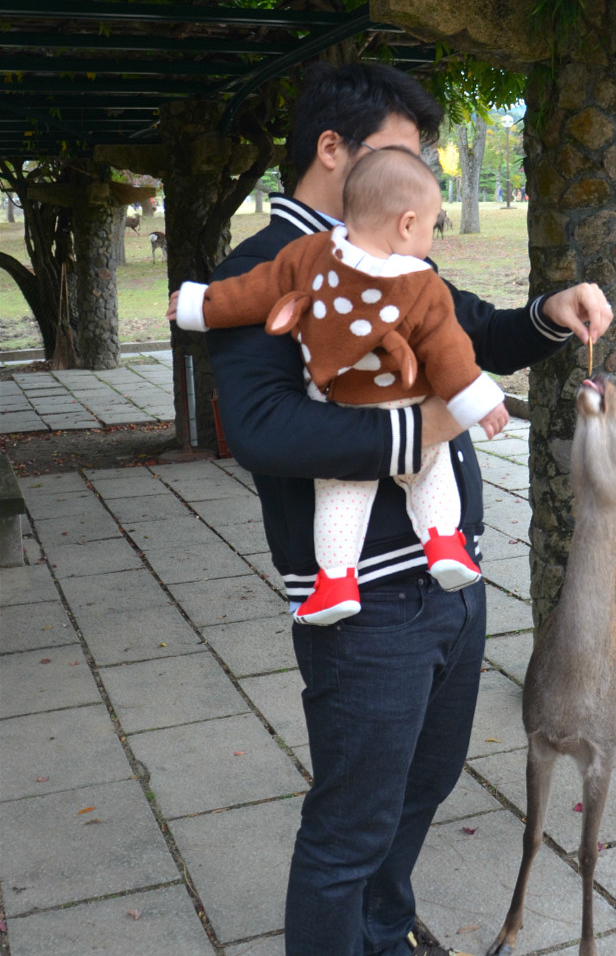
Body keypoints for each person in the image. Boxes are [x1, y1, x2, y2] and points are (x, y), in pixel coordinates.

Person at [201, 61, 612, 956]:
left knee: (423, 781)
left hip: (448, 574)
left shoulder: (393, 251)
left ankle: (384, 937)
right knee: (350, 816)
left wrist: (551, 314)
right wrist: (415, 427)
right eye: (405, 154)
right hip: (361, 597)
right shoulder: (266, 264)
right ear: (336, 152)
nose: (417, 177)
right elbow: (259, 426)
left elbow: (467, 329)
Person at [169, 147, 509, 625]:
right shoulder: (421, 284)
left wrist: (199, 305)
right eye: (433, 226)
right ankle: (445, 543)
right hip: (406, 397)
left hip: (339, 405)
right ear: (407, 224)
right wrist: (479, 401)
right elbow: (449, 350)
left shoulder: (310, 254)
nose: (432, 239)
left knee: (338, 498)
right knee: (432, 472)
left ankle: (335, 583)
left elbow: (256, 292)